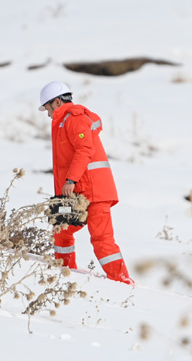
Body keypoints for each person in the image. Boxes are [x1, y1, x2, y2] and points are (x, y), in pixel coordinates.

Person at [38, 81, 134, 285]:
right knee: (61, 230)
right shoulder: (62, 122)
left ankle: (122, 282)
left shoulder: (75, 118)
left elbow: (84, 150)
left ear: (56, 101)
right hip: (75, 195)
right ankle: (63, 273)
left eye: (47, 108)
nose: (47, 114)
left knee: (102, 241)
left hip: (95, 192)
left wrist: (71, 179)